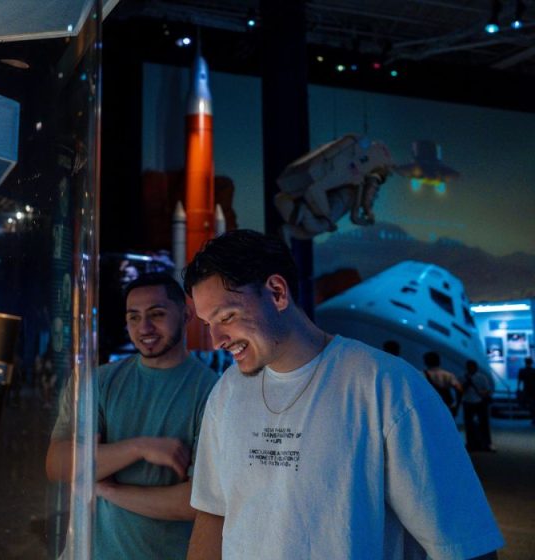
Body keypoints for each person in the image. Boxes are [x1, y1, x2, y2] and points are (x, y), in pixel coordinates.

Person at [183, 229, 502, 560]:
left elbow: (464, 544)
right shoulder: (227, 392)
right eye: (208, 323)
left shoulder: (388, 387)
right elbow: (213, 513)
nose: (216, 339)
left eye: (227, 317)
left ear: (277, 292)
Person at [46, 273, 218, 559]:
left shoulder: (212, 392)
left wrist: (107, 489)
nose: (144, 327)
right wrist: (140, 448)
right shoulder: (98, 382)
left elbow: (192, 504)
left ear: (186, 314)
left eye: (157, 314)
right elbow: (59, 466)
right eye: (133, 317)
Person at [461, 359, 495, 452]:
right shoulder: (481, 377)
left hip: (470, 401)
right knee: (479, 424)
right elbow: (488, 389)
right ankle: (482, 443)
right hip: (475, 401)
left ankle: (473, 443)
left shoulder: (464, 377)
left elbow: (460, 390)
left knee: (472, 424)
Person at [423, 351, 463, 417]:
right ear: (439, 361)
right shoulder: (448, 375)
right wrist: (457, 406)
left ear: (426, 362)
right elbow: (459, 389)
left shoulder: (422, 375)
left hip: (430, 406)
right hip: (446, 405)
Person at [518, 357, 535, 425]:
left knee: (529, 404)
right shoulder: (533, 371)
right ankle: (533, 418)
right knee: (532, 404)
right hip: (533, 390)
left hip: (527, 389)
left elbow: (519, 380)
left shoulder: (522, 370)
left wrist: (518, 387)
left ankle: (533, 417)